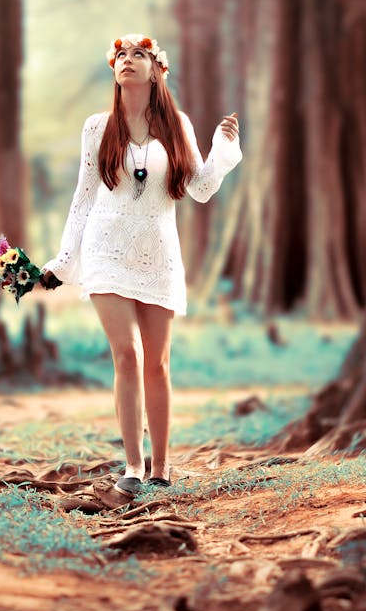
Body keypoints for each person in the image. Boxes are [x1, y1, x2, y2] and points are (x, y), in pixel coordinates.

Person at [40, 32, 242, 497]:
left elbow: (201, 188)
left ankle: (162, 468)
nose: (128, 61)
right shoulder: (97, 127)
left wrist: (223, 150)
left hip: (159, 251)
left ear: (157, 70)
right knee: (126, 355)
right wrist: (64, 262)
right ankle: (132, 465)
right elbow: (83, 198)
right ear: (114, 70)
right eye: (121, 56)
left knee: (159, 364)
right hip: (105, 250)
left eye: (139, 55)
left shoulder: (176, 125)